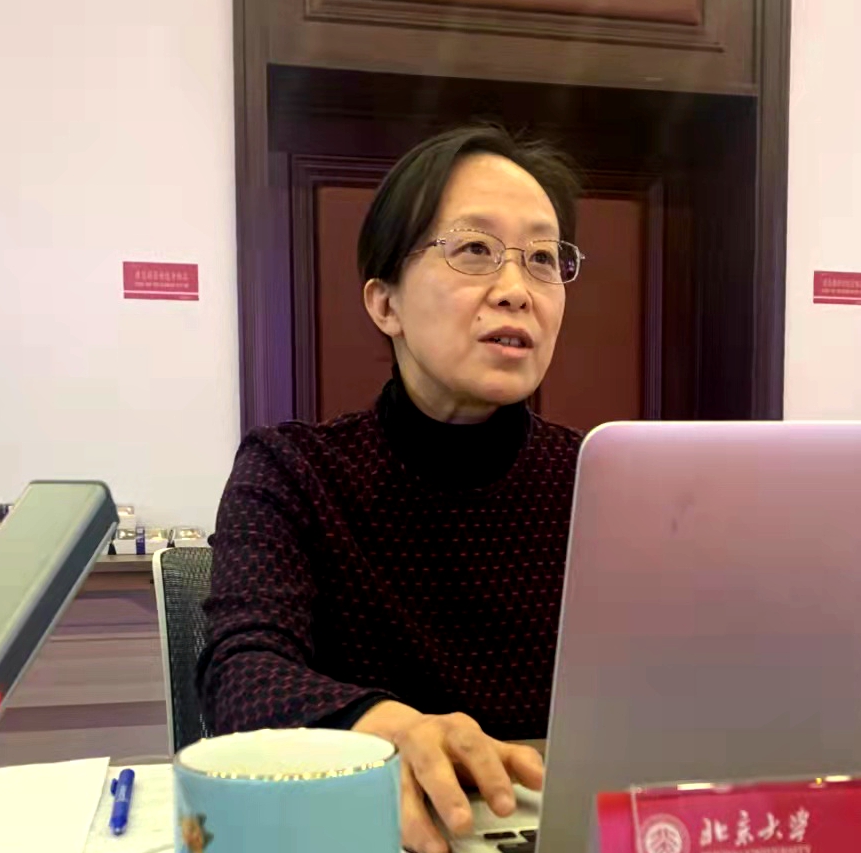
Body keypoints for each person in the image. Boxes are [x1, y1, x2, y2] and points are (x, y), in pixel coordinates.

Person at [199, 124, 585, 853]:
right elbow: (240, 673)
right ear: (385, 304)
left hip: (556, 825)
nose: (516, 291)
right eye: (475, 250)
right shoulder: (292, 471)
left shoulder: (594, 481)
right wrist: (383, 726)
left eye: (542, 259)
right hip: (375, 830)